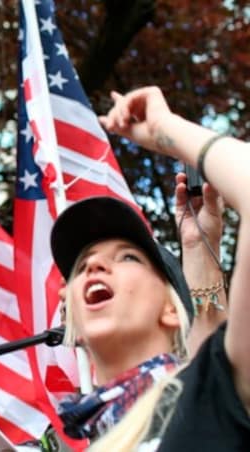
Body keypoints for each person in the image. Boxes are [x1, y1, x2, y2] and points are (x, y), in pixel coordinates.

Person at [57, 85, 249, 450]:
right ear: (74, 327)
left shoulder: (209, 398)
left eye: (128, 257)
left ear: (171, 309)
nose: (94, 264)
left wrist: (167, 128)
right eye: (81, 267)